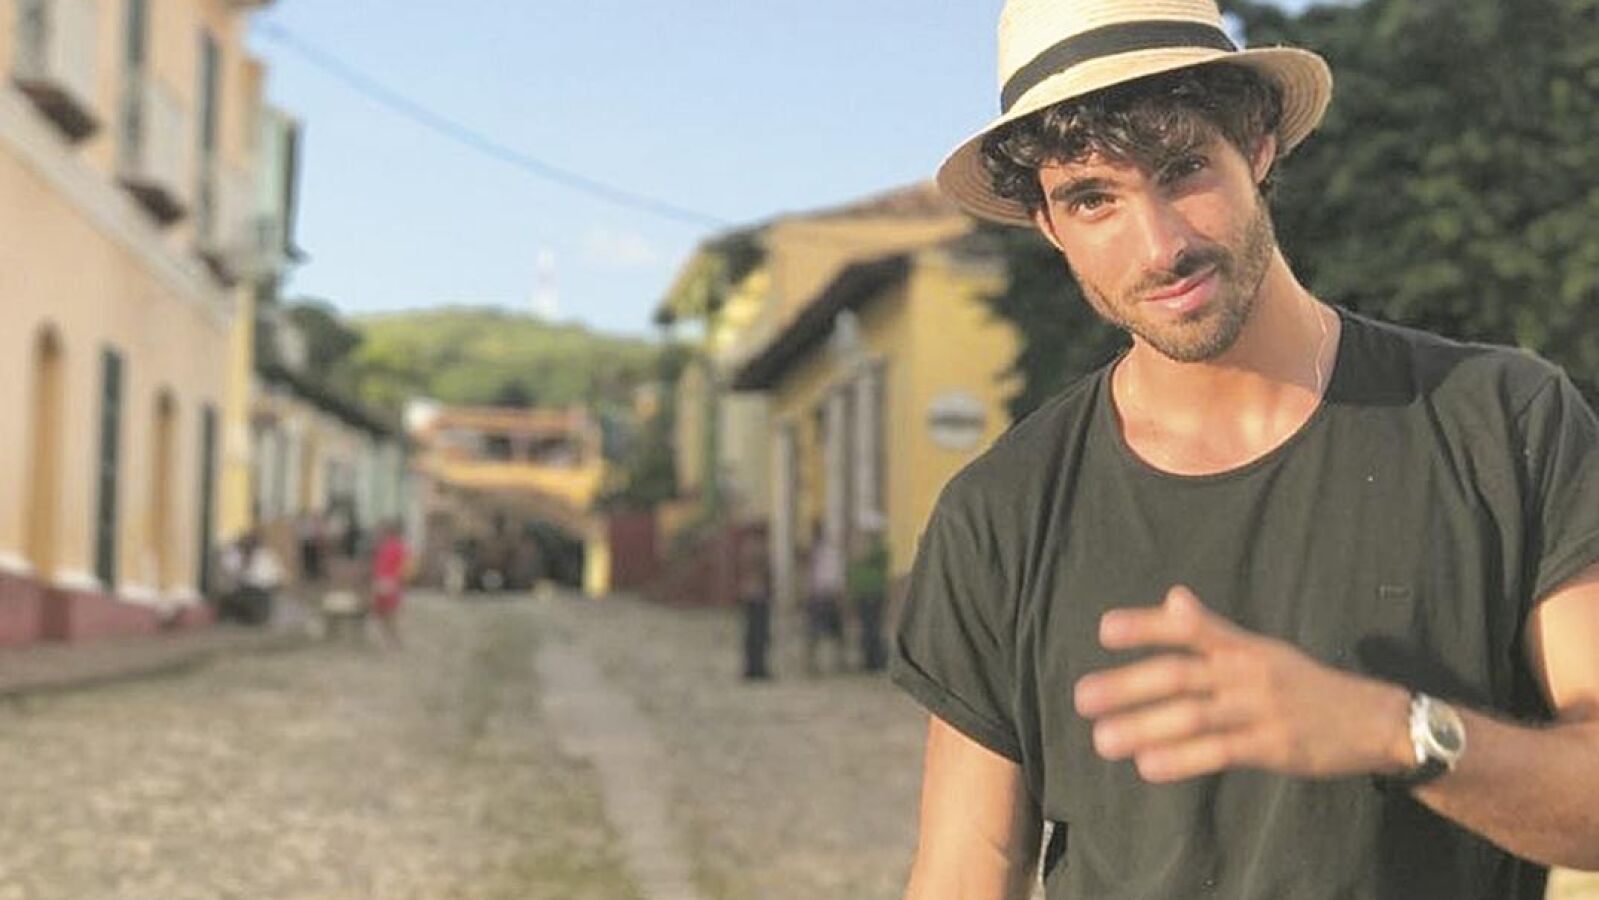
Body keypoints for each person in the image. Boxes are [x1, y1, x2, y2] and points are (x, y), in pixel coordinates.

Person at [889, 2, 1599, 898]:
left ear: (1257, 145)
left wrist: (1390, 729)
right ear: (1048, 224)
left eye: (1183, 167)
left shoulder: (1500, 421)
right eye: (1093, 198)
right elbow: (968, 867)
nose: (1160, 247)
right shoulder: (1000, 512)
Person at [805, 522, 847, 675]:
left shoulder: (829, 553)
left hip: (827, 595)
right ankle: (814, 664)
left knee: (833, 632)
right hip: (820, 595)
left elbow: (835, 575)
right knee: (815, 632)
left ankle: (836, 663)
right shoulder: (818, 553)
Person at [369, 521, 409, 648]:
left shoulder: (396, 546)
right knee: (382, 612)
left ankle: (393, 640)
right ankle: (391, 639)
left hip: (388, 581)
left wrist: (397, 579)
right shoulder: (386, 545)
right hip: (384, 580)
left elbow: (402, 565)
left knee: (387, 612)